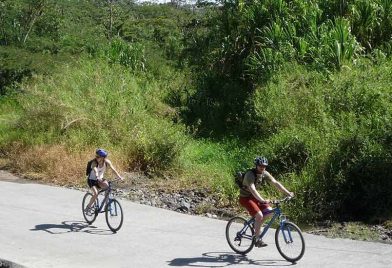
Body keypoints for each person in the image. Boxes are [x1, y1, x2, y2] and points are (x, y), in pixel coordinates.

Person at [239, 156, 294, 247]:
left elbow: (275, 183)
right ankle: (257, 239)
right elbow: (253, 189)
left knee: (269, 211)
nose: (262, 168)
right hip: (245, 198)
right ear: (256, 165)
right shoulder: (250, 174)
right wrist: (262, 200)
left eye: (264, 166)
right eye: (260, 166)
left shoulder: (264, 173)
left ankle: (256, 224)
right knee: (259, 215)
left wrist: (288, 193)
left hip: (255, 197)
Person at [85, 148, 124, 215]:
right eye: (96, 156)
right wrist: (97, 176)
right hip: (92, 180)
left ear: (103, 158)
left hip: (100, 179)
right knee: (96, 193)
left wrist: (119, 176)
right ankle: (88, 208)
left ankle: (106, 205)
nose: (96, 158)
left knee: (107, 187)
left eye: (98, 157)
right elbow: (95, 170)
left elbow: (113, 169)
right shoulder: (94, 162)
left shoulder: (107, 162)